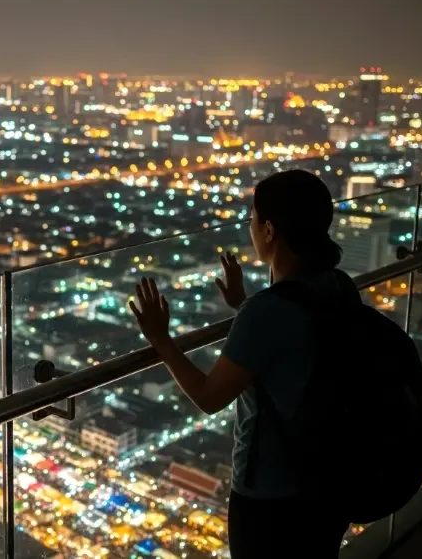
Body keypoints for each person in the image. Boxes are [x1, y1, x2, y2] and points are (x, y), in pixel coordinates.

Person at [128, 169, 358, 558]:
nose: (249, 226)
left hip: (271, 492)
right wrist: (243, 304)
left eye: (252, 217)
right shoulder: (338, 285)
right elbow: (293, 351)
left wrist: (160, 338)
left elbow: (208, 397)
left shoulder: (266, 312)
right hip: (329, 476)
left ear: (269, 230)